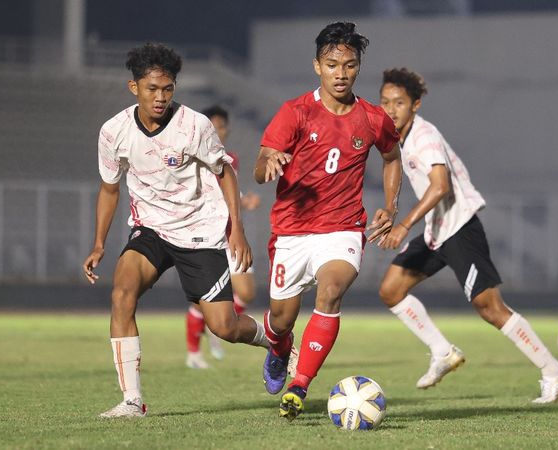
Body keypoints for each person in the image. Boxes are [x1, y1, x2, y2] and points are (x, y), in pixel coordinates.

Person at [83, 43, 269, 418]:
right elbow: (109, 187)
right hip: (151, 229)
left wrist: (237, 230)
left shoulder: (195, 125)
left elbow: (226, 173)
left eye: (168, 89)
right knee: (122, 293)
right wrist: (99, 243)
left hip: (201, 231)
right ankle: (132, 400)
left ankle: (278, 343)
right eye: (152, 89)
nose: (160, 97)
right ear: (133, 87)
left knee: (224, 327)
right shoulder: (113, 131)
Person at [375, 67, 558, 404]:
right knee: (391, 290)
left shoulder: (423, 137)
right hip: (437, 230)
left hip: (460, 228)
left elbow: (441, 186)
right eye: (384, 102)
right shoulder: (399, 137)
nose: (391, 109)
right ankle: (442, 352)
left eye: (399, 102)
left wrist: (403, 224)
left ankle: (554, 372)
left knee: (490, 307)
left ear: (416, 105)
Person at [254, 22, 402, 420]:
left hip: (343, 227)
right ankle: (279, 349)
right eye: (333, 64)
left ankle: (299, 386)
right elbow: (260, 163)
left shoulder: (373, 118)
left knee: (331, 291)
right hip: (292, 231)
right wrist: (270, 162)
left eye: (350, 65)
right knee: (281, 321)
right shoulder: (295, 112)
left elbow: (392, 157)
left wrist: (391, 204)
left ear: (358, 68)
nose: (342, 73)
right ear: (317, 65)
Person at [182, 105, 263, 369]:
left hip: (233, 235)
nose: (218, 131)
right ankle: (194, 352)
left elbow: (226, 191)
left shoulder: (231, 159)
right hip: (207, 237)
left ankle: (217, 326)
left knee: (247, 293)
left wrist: (243, 200)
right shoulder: (193, 157)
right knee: (204, 299)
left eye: (222, 126)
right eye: (213, 126)